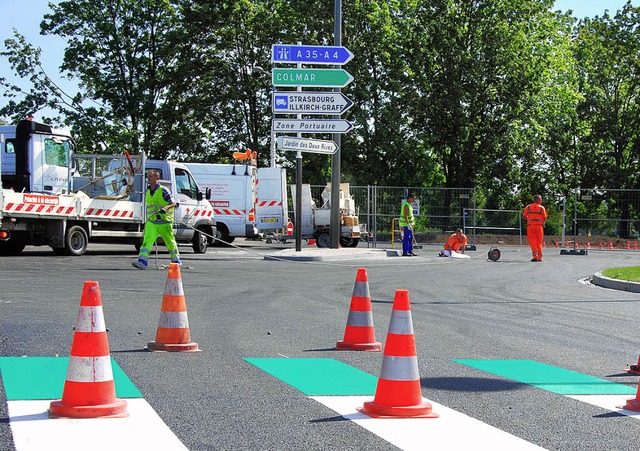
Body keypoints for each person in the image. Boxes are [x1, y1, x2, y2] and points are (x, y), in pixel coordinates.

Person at [132, 169, 181, 269]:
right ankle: (142, 262)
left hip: (164, 221)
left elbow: (174, 203)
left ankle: (176, 260)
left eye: (150, 176)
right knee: (147, 241)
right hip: (152, 222)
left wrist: (165, 208)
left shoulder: (164, 190)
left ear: (157, 178)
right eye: (148, 176)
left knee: (169, 241)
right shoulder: (148, 191)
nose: (148, 178)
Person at [523, 194, 548, 262]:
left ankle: (535, 256)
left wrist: (529, 219)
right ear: (539, 200)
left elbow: (524, 216)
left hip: (530, 226)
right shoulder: (542, 208)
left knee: (532, 241)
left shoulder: (528, 207)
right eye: (541, 199)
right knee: (539, 242)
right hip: (539, 227)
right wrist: (541, 221)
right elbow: (545, 217)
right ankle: (539, 257)